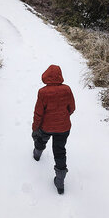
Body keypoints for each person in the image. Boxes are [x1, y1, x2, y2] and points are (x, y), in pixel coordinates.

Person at [31, 64, 76, 194]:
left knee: (41, 140)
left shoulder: (43, 92)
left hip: (46, 127)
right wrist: (63, 117)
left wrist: (35, 128)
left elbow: (38, 113)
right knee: (60, 150)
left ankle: (37, 154)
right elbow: (71, 108)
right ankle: (60, 181)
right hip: (63, 128)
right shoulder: (67, 90)